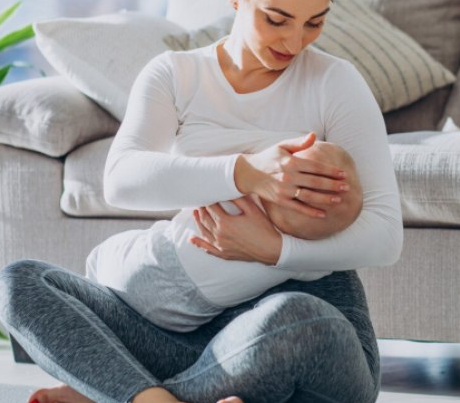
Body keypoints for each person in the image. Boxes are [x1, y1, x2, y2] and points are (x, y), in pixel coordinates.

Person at [0, 0, 402, 403]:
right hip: (182, 335)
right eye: (276, 19)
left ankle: (124, 399)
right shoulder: (178, 75)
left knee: (296, 321)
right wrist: (246, 173)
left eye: (314, 23)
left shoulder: (336, 84)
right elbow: (121, 178)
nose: (294, 43)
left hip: (297, 334)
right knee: (19, 283)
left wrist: (274, 248)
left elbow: (385, 236)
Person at [86, 139, 364, 333]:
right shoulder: (303, 265)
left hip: (153, 260)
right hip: (182, 318)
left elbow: (195, 180)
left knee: (98, 260)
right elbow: (327, 263)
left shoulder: (237, 198)